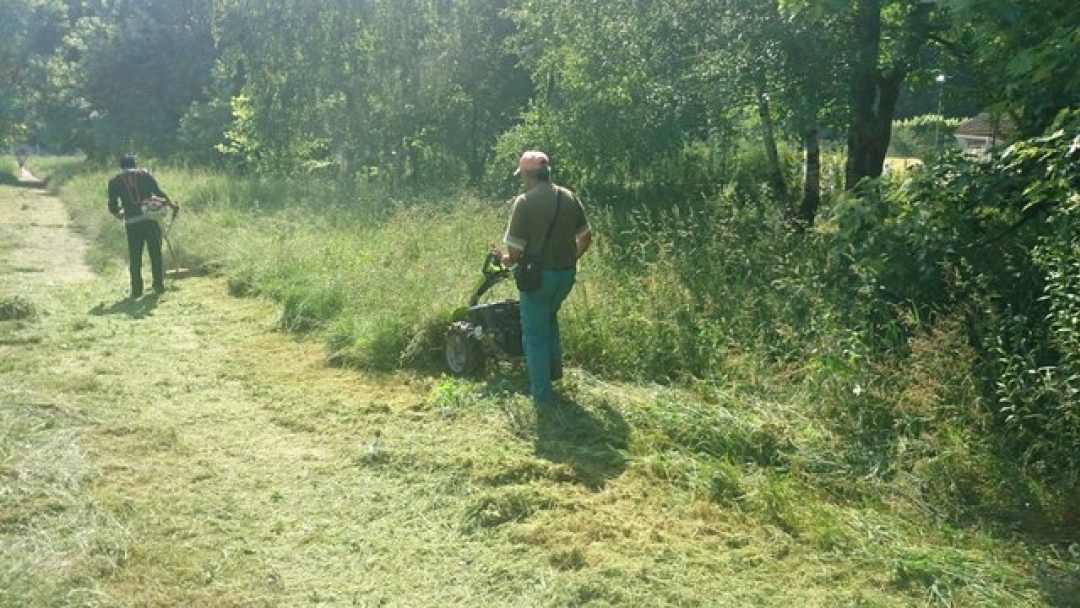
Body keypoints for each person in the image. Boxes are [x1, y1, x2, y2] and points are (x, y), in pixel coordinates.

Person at [500, 150, 592, 405]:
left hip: (538, 280)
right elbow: (586, 238)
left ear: (529, 176)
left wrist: (506, 260)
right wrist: (570, 258)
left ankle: (542, 398)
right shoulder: (569, 198)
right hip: (565, 277)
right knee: (549, 320)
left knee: (534, 336)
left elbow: (516, 253)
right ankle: (553, 375)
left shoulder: (524, 202)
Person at [107, 155, 176, 298]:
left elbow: (113, 206)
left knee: (135, 256)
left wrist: (119, 214)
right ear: (135, 164)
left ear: (121, 167)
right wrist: (172, 205)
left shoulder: (114, 181)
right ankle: (158, 285)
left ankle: (136, 290)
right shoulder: (145, 175)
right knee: (155, 253)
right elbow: (158, 193)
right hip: (151, 218)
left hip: (132, 222)